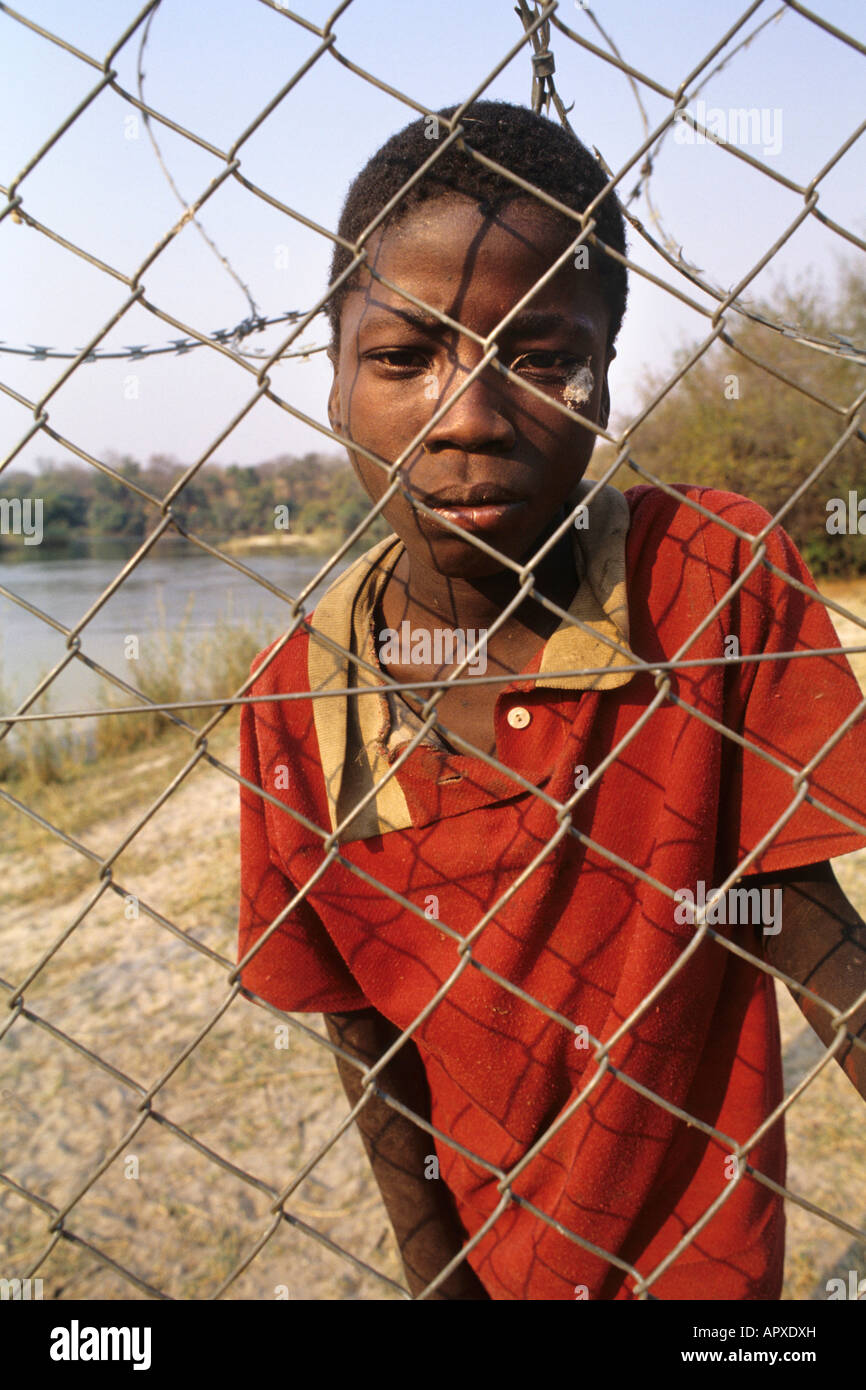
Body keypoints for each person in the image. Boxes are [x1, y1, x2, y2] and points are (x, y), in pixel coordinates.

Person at [236, 101, 866, 1300]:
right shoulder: (294, 702)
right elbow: (366, 1041)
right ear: (330, 382)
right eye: (400, 357)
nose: (468, 417)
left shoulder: (705, 581)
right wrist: (445, 1285)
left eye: (539, 358)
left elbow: (796, 914)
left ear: (605, 380)